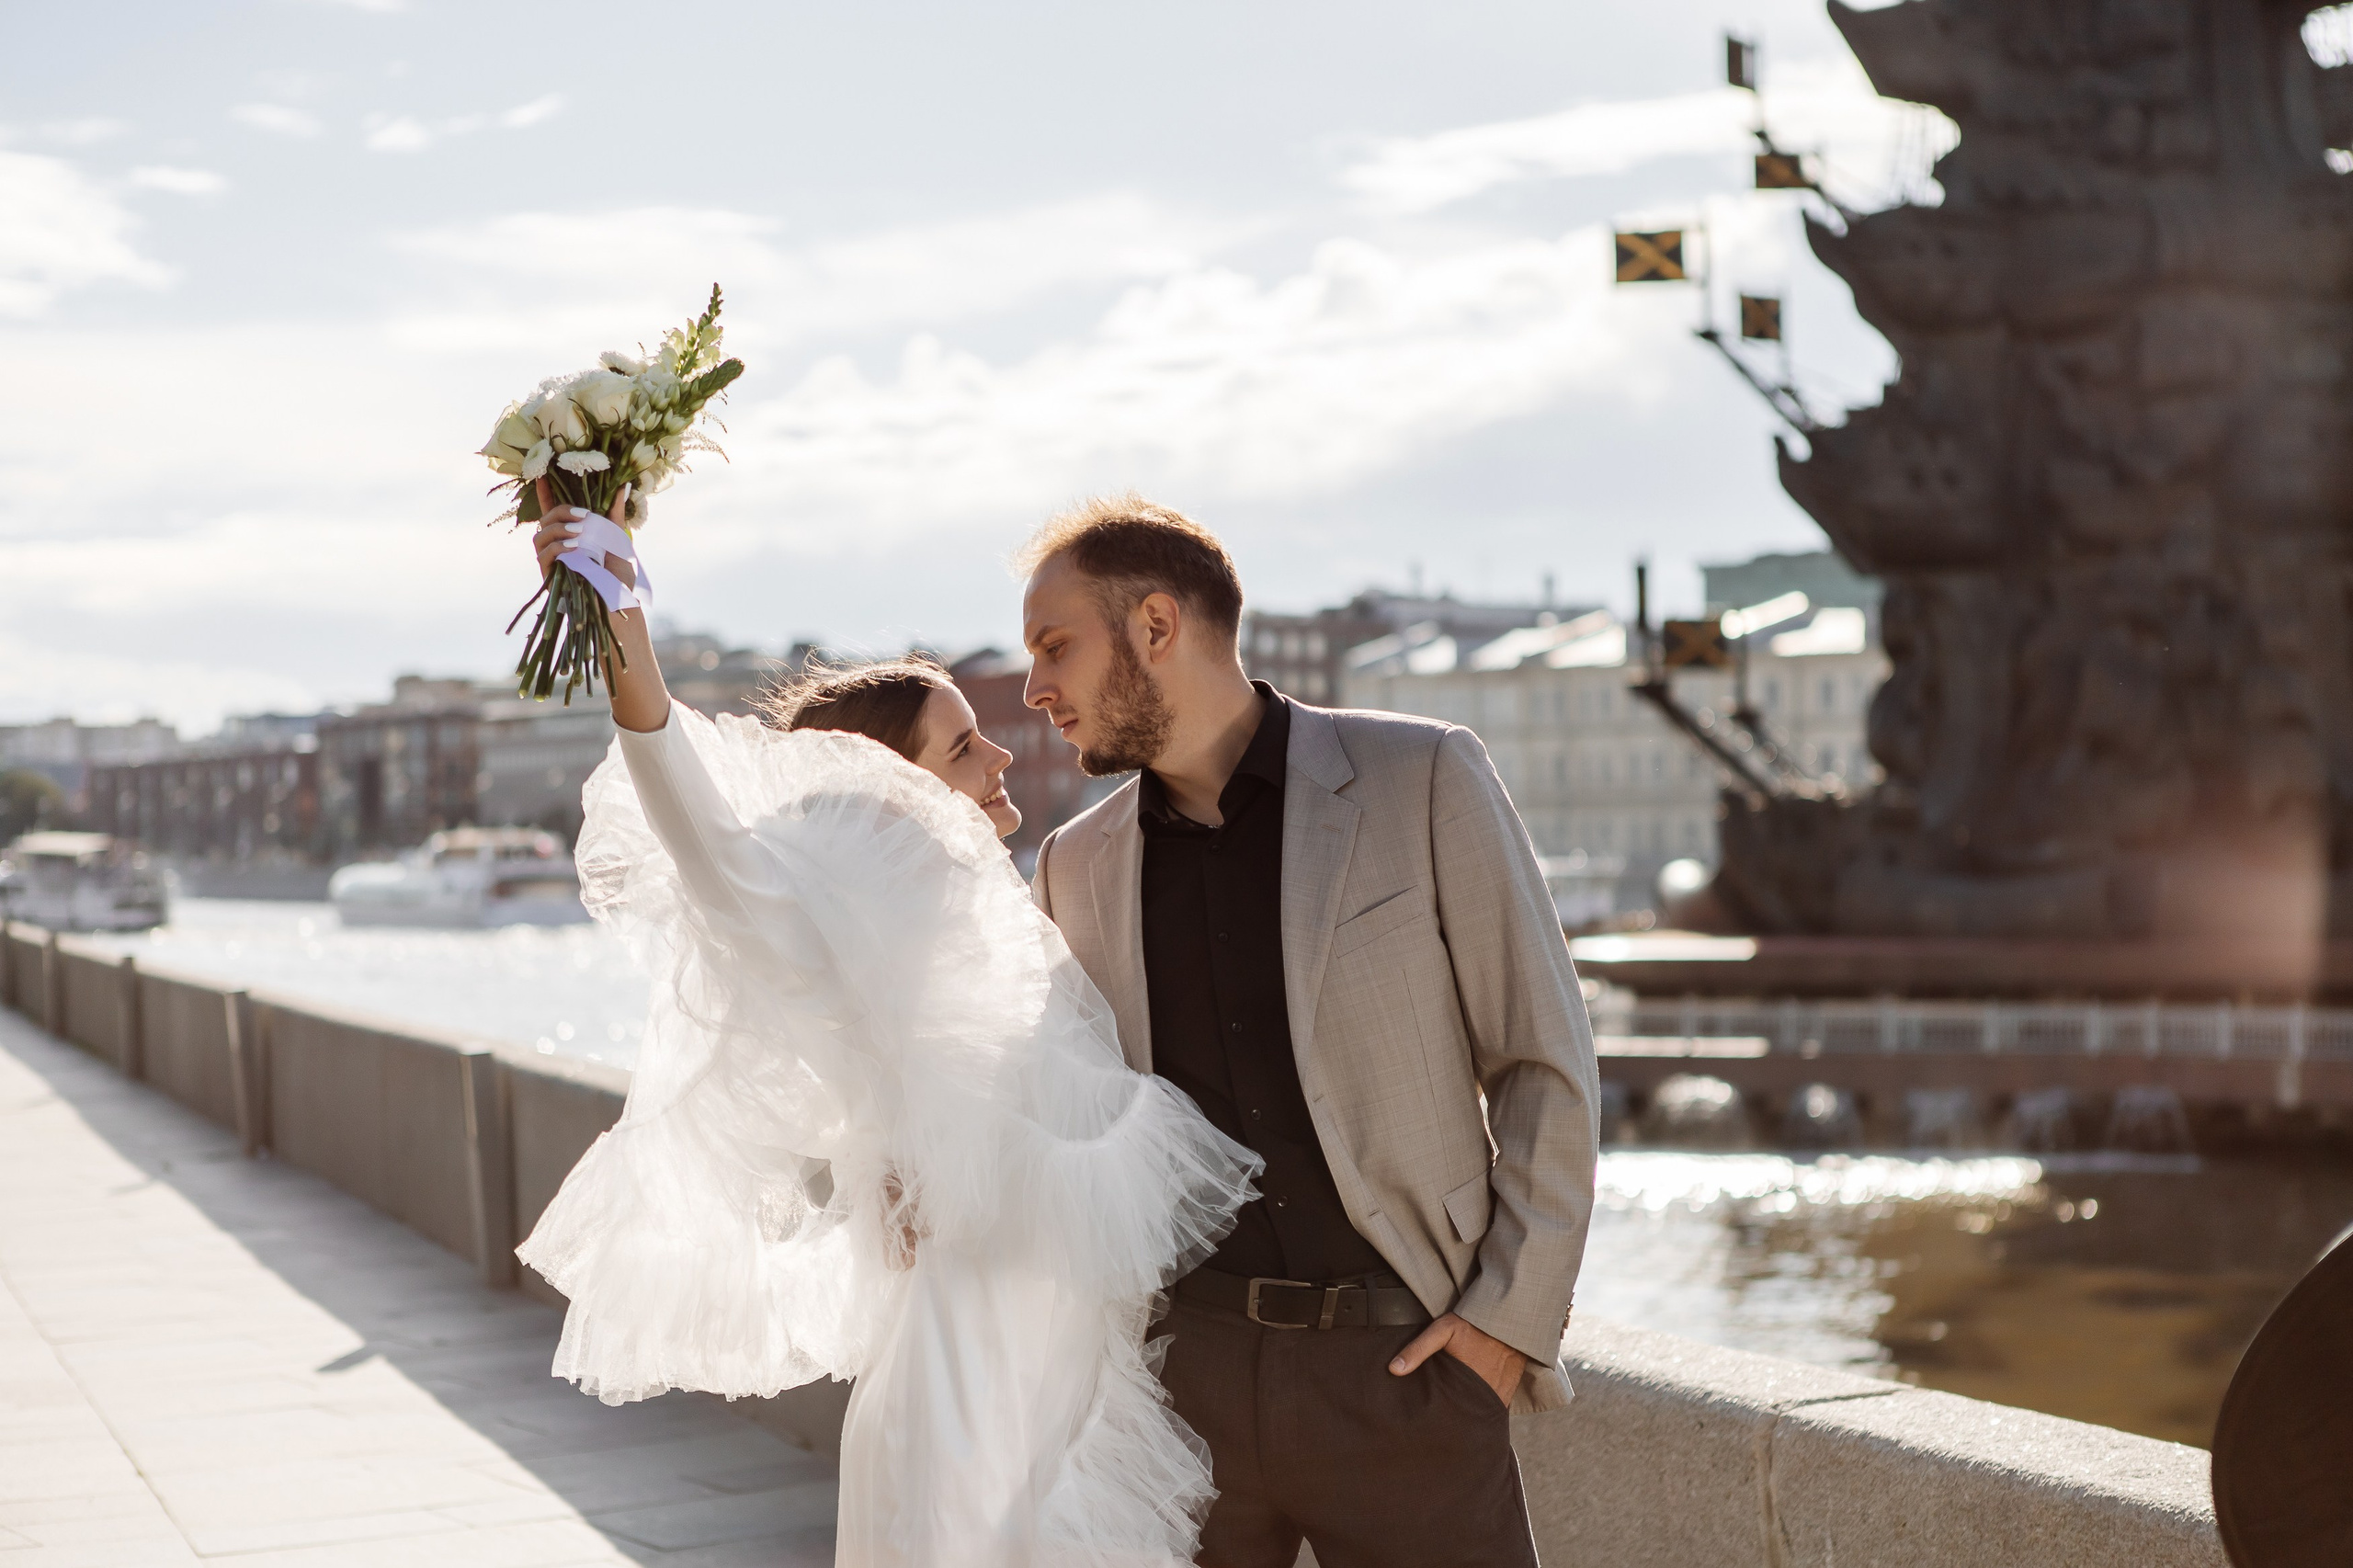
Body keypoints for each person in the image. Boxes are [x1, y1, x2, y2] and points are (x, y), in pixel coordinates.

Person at [510, 484, 1262, 1568]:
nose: (1001, 756)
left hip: (1062, 1375)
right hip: (966, 1379)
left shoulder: (994, 914)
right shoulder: (832, 930)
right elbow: (694, 814)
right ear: (876, 799)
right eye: (961, 749)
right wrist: (623, 616)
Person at [1020, 494, 1600, 1568]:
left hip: (1406, 1372)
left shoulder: (1420, 776)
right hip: (1178, 1393)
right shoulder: (1074, 864)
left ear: (1156, 627)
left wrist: (1501, 1330)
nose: (1034, 688)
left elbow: (1544, 1061)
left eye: (1056, 646)